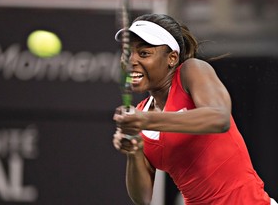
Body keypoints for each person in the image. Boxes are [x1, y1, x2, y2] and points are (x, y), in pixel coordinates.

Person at [112, 13, 277, 205]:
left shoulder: (192, 71)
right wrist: (135, 151)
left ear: (172, 58)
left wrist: (146, 120)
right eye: (127, 53)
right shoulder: (141, 117)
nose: (131, 61)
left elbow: (219, 118)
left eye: (144, 53)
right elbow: (143, 198)